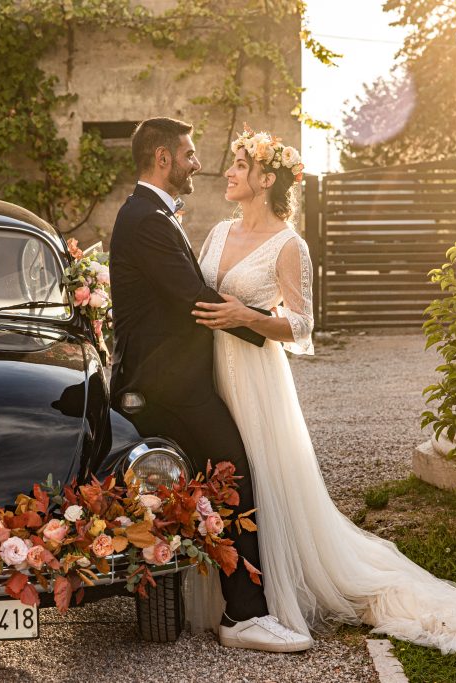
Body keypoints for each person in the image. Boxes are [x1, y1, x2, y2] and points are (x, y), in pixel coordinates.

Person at [187, 125, 456, 654]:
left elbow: (301, 325)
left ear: (266, 177)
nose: (228, 172)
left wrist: (247, 316)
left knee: (259, 473)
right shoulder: (218, 233)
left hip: (255, 376)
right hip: (207, 371)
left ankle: (270, 590)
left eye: (240, 165)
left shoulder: (289, 245)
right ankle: (224, 586)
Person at [109, 117, 313, 652]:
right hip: (169, 383)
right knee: (232, 476)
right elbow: (193, 298)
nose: (200, 163)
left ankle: (222, 605)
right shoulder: (148, 219)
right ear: (162, 159)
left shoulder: (151, 213)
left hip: (182, 375)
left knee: (212, 482)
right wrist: (252, 329)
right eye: (190, 154)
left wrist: (257, 331)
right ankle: (243, 615)